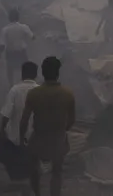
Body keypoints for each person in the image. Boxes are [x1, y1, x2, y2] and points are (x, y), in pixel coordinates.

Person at [21, 56, 76, 196]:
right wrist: (63, 131)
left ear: (43, 73)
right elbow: (72, 120)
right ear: (58, 73)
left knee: (34, 170)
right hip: (58, 138)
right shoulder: (67, 93)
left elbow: (24, 119)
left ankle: (37, 193)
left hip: (39, 138)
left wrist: (22, 138)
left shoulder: (34, 93)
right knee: (57, 171)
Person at [0, 61, 39, 182]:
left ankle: (23, 182)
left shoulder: (14, 90)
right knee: (34, 163)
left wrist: (1, 130)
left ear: (22, 74)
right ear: (35, 75)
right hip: (36, 137)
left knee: (19, 166)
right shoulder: (40, 90)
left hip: (17, 137)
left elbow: (6, 114)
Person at [0, 9, 34, 86]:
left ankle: (11, 85)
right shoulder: (24, 27)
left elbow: (2, 44)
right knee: (25, 68)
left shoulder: (5, 29)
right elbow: (32, 37)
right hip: (22, 52)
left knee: (10, 69)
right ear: (18, 17)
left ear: (9, 18)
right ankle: (27, 84)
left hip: (10, 53)